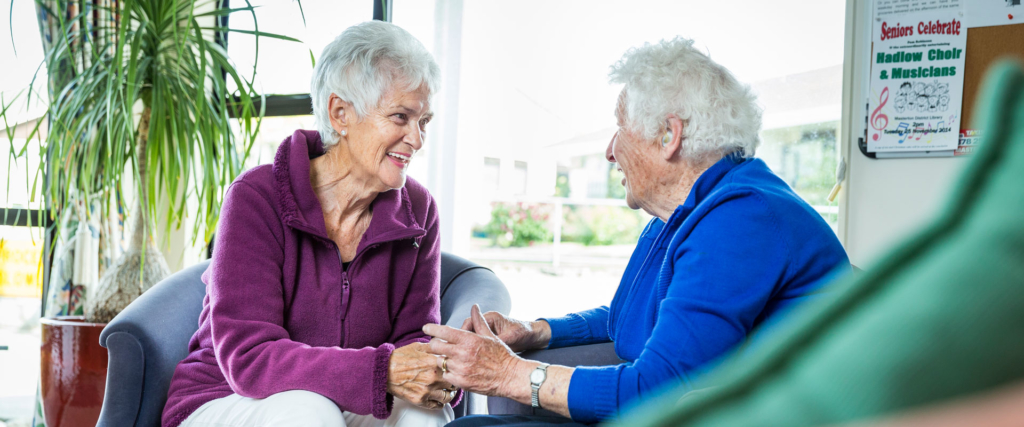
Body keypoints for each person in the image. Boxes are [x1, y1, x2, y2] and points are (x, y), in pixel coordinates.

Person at [425, 37, 850, 426]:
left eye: (620, 128)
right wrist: (537, 330)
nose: (610, 151)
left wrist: (509, 373)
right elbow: (627, 318)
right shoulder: (683, 214)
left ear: (669, 135)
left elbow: (656, 391)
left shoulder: (742, 218)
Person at [162, 21, 456, 427]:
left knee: (423, 414)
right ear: (341, 114)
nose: (417, 139)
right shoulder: (257, 196)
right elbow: (249, 358)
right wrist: (382, 370)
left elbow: (415, 336)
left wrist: (431, 370)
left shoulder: (419, 210)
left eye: (424, 121)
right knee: (308, 411)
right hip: (227, 397)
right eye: (401, 117)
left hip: (351, 400)